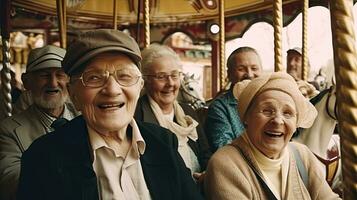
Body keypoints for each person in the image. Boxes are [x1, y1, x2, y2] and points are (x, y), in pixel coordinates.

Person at [17, 29, 203, 200]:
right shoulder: (44, 158)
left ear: (139, 86)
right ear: (73, 93)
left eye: (124, 76)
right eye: (94, 78)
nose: (112, 90)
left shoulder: (163, 142)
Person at [204, 72, 341, 200]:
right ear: (247, 116)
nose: (277, 120)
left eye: (287, 113)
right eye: (267, 110)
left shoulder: (302, 155)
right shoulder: (225, 165)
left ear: (296, 122)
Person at [0, 45, 78, 200]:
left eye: (60, 75)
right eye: (44, 75)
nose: (53, 83)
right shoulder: (8, 130)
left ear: (69, 80)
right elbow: (10, 180)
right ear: (26, 82)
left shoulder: (89, 118)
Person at [135, 44, 211, 180]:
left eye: (174, 75)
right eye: (161, 76)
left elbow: (205, 154)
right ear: (145, 81)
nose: (170, 83)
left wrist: (207, 174)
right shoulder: (137, 116)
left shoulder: (188, 112)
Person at [205, 46, 263, 152]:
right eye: (241, 69)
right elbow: (224, 147)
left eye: (254, 68)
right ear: (230, 75)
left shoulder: (269, 100)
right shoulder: (220, 107)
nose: (249, 74)